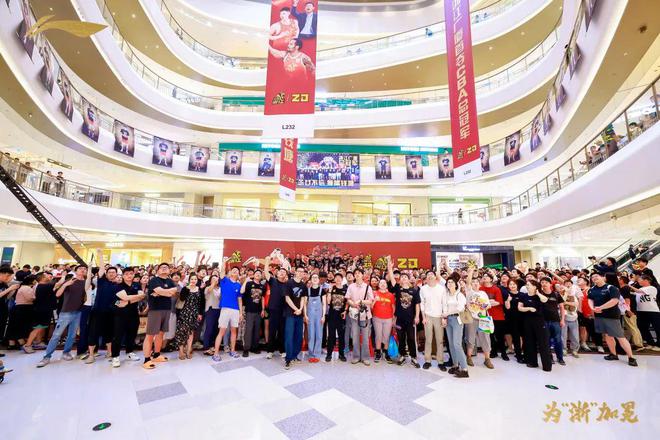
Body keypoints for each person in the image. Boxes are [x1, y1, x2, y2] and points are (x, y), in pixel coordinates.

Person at [37, 265, 88, 368]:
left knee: (72, 335)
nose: (83, 270)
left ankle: (66, 352)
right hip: (66, 312)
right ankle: (47, 356)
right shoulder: (70, 281)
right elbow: (57, 294)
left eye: (85, 269)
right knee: (56, 335)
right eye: (80, 269)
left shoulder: (86, 282)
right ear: (75, 271)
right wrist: (65, 285)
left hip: (78, 312)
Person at [588, 272, 637, 367]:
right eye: (592, 277)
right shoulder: (592, 289)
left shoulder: (611, 288)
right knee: (607, 335)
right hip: (599, 316)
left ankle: (631, 357)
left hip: (611, 316)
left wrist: (600, 307)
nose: (594, 278)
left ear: (603, 277)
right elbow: (590, 299)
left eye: (596, 276)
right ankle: (613, 354)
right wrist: (593, 308)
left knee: (620, 337)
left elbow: (614, 301)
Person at [85, 251, 123, 364]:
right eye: (109, 272)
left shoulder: (119, 286)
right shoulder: (102, 281)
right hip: (97, 312)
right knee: (93, 333)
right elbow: (101, 269)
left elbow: (119, 300)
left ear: (116, 274)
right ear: (106, 274)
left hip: (110, 314)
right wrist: (101, 256)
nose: (111, 273)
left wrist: (116, 305)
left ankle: (109, 352)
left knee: (109, 334)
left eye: (113, 272)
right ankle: (91, 355)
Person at [143, 263, 177, 369]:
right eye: (162, 267)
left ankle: (156, 354)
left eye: (166, 267)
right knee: (150, 335)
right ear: (157, 270)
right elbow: (160, 291)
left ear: (169, 270)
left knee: (161, 334)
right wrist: (164, 292)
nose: (164, 269)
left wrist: (162, 292)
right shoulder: (154, 280)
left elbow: (173, 292)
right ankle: (146, 359)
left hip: (167, 309)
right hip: (155, 310)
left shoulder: (170, 281)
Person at [110, 267, 145, 367]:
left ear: (134, 274)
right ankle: (115, 356)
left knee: (132, 334)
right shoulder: (118, 286)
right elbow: (124, 297)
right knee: (118, 336)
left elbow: (142, 296)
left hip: (133, 313)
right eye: (126, 274)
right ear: (123, 276)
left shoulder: (136, 285)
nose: (129, 276)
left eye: (131, 273)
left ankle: (129, 352)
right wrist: (133, 298)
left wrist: (128, 301)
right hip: (120, 314)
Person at [518, 279, 552, 371]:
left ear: (535, 286)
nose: (527, 286)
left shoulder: (540, 296)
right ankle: (533, 362)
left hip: (539, 322)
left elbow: (545, 300)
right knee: (530, 342)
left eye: (529, 285)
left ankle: (547, 366)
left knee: (543, 343)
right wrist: (529, 308)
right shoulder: (523, 296)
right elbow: (519, 308)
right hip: (528, 321)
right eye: (526, 284)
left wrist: (538, 293)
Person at [213, 259, 243, 361]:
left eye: (237, 270)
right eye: (233, 270)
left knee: (234, 331)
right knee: (222, 331)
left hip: (235, 310)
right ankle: (216, 353)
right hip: (225, 309)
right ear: (230, 273)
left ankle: (233, 350)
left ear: (238, 274)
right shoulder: (225, 280)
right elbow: (222, 272)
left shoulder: (238, 285)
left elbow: (239, 300)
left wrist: (240, 313)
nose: (235, 271)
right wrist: (224, 263)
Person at [465, 268, 494, 368]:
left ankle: (487, 359)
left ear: (480, 284)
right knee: (470, 338)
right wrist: (470, 271)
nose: (475, 283)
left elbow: (488, 305)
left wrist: (483, 306)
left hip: (483, 318)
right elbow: (468, 282)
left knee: (486, 338)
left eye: (477, 282)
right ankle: (469, 357)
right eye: (473, 282)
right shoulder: (469, 292)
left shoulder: (483, 293)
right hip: (471, 318)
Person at [345, 268, 373, 366]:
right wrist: (353, 304)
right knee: (355, 337)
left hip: (365, 316)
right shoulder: (351, 286)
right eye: (355, 273)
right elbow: (348, 299)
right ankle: (356, 356)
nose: (357, 274)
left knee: (365, 337)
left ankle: (365, 357)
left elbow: (370, 301)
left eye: (359, 273)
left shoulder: (367, 287)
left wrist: (361, 301)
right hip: (354, 316)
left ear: (362, 275)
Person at [23, 272, 56, 353]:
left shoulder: (40, 286)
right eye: (47, 275)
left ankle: (38, 342)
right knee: (38, 328)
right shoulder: (46, 286)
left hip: (41, 309)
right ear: (43, 278)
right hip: (43, 310)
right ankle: (27, 345)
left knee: (41, 327)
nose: (49, 276)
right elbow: (58, 285)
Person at [417, 264, 443, 370]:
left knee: (439, 340)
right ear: (426, 278)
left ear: (435, 277)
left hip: (439, 316)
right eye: (428, 275)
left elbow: (444, 303)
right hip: (428, 316)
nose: (430, 276)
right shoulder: (423, 289)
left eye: (432, 274)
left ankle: (440, 361)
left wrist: (444, 317)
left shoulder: (441, 288)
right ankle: (427, 360)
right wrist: (423, 317)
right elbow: (422, 304)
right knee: (428, 339)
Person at [442, 277, 468, 378]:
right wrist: (445, 317)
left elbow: (460, 308)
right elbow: (444, 307)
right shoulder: (446, 295)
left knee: (457, 344)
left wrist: (447, 313)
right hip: (448, 320)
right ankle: (455, 365)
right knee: (451, 344)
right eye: (448, 282)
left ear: (456, 284)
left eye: (452, 282)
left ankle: (464, 369)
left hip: (457, 320)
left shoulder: (459, 295)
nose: (450, 283)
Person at [174, 274, 204, 360]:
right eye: (192, 279)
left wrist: (200, 313)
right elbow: (182, 298)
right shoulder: (185, 288)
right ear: (189, 280)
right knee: (182, 332)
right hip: (184, 312)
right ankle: (181, 351)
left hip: (194, 313)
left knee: (191, 333)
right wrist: (188, 288)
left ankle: (188, 350)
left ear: (197, 281)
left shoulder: (200, 289)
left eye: (195, 279)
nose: (193, 281)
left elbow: (201, 303)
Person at [264, 256, 288, 359]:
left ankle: (282, 350)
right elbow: (266, 272)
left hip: (284, 311)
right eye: (280, 272)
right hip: (273, 310)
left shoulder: (288, 284)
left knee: (282, 331)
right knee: (272, 331)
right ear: (277, 274)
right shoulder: (273, 281)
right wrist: (267, 261)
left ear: (286, 275)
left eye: (284, 272)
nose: (282, 273)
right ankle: (270, 351)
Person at [480, 272, 508, 360]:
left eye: (486, 276)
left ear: (491, 279)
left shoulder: (496, 289)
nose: (484, 277)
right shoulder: (480, 289)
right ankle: (493, 351)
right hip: (485, 315)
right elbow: (479, 303)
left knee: (500, 335)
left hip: (497, 315)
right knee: (489, 335)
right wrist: (490, 302)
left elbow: (498, 302)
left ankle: (503, 353)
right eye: (483, 276)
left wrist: (487, 303)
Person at [284, 267, 307, 369]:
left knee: (298, 336)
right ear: (295, 272)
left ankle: (294, 355)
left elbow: (303, 298)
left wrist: (300, 309)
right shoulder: (289, 283)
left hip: (299, 314)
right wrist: (296, 309)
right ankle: (288, 359)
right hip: (290, 314)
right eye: (299, 271)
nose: (301, 273)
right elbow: (287, 298)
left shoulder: (303, 285)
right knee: (289, 336)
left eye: (302, 272)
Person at [629, 275, 660, 350]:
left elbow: (639, 292)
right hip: (641, 311)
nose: (638, 281)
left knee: (657, 328)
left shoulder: (652, 288)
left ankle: (659, 345)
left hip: (652, 311)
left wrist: (629, 286)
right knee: (642, 327)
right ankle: (651, 343)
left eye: (640, 279)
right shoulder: (640, 288)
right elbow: (635, 293)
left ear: (646, 280)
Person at [241, 269, 266, 357]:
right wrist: (246, 280)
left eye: (259, 273)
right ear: (254, 275)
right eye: (256, 273)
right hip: (249, 310)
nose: (258, 274)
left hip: (258, 311)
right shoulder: (249, 283)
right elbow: (242, 291)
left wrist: (263, 309)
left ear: (261, 276)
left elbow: (262, 298)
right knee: (248, 330)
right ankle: (246, 349)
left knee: (257, 330)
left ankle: (254, 347)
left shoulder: (262, 286)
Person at [540, 277, 565, 365]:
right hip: (544, 321)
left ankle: (560, 358)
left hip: (555, 321)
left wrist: (562, 320)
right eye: (542, 282)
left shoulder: (556, 294)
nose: (544, 284)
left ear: (550, 284)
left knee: (558, 340)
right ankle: (549, 357)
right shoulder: (539, 294)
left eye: (546, 282)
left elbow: (562, 308)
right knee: (546, 340)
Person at [371, 279, 395, 364]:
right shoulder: (374, 293)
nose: (383, 284)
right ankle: (378, 353)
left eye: (384, 283)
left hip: (388, 318)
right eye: (381, 283)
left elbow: (393, 307)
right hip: (377, 318)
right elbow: (371, 307)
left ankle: (385, 352)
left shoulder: (390, 295)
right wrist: (375, 300)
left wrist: (393, 318)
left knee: (386, 336)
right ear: (378, 285)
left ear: (387, 285)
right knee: (378, 336)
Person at [325, 273, 347, 362]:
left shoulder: (345, 289)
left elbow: (347, 302)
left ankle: (341, 354)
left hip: (341, 316)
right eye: (336, 277)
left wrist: (345, 311)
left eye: (339, 278)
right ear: (334, 279)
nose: (338, 279)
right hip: (332, 315)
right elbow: (328, 302)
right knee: (331, 335)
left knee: (341, 336)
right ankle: (329, 354)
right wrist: (330, 291)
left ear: (342, 279)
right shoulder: (331, 288)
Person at [306, 273, 325, 362]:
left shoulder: (322, 291)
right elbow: (305, 304)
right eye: (313, 277)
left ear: (319, 279)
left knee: (319, 334)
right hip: (310, 315)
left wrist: (323, 316)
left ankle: (317, 354)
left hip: (319, 315)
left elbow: (324, 304)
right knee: (311, 334)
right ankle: (311, 354)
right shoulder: (307, 290)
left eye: (316, 277)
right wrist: (305, 315)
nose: (314, 279)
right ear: (310, 279)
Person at [560, 279, 581, 358]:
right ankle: (563, 349)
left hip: (573, 317)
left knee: (575, 335)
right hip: (563, 317)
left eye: (569, 284)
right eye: (566, 284)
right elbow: (561, 303)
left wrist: (566, 302)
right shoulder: (560, 294)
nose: (568, 285)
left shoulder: (574, 296)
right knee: (563, 335)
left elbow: (576, 304)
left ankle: (574, 350)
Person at [202, 275, 221, 355]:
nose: (215, 280)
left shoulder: (220, 289)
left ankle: (212, 345)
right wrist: (213, 283)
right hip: (210, 309)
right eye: (213, 279)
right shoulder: (207, 288)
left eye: (216, 279)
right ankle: (206, 347)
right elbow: (209, 291)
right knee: (209, 328)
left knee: (216, 329)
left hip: (219, 310)